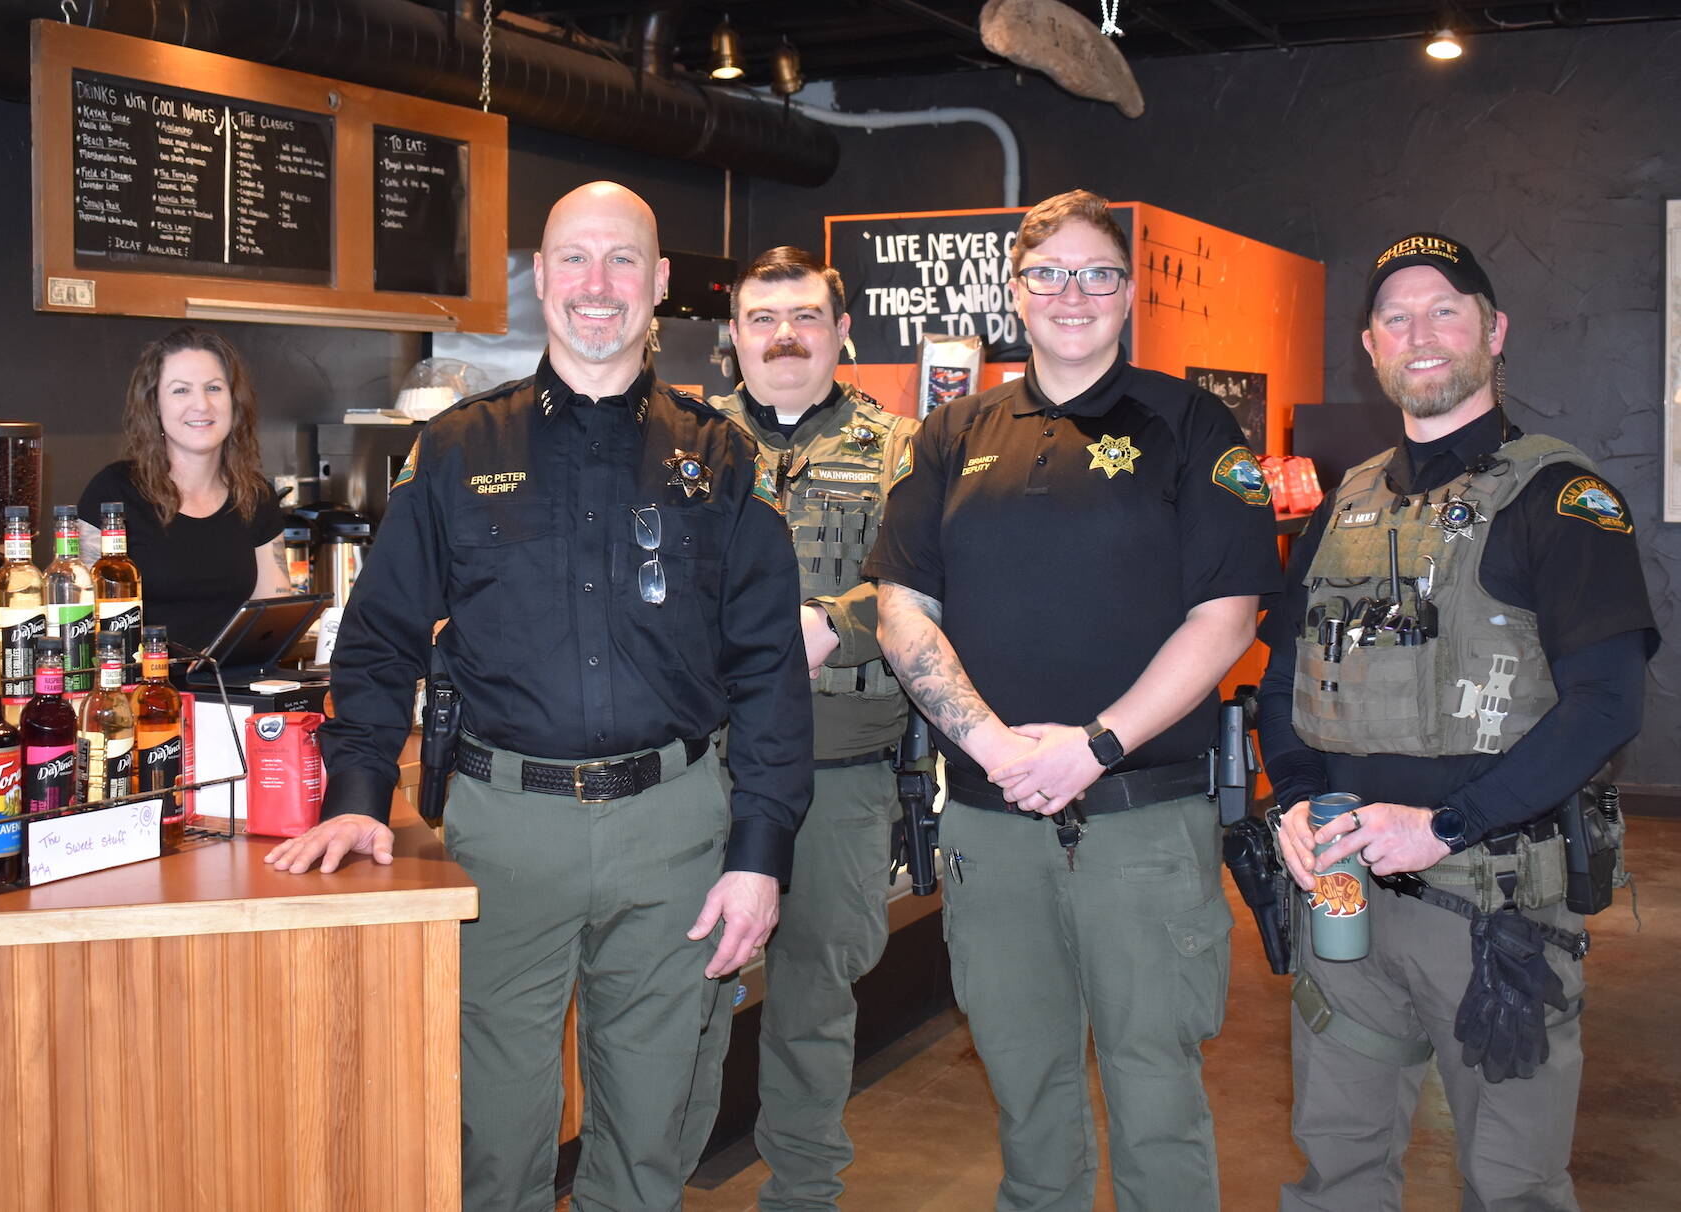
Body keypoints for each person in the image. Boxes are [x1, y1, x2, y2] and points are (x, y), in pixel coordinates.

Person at [264, 181, 813, 1212]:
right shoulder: (461, 449)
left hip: (674, 834)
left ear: (657, 285)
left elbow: (770, 671)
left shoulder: (724, 456)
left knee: (651, 1137)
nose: (596, 285)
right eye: (573, 258)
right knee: (492, 1136)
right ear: (542, 278)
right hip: (501, 834)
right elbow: (379, 638)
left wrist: (761, 855)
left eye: (620, 261)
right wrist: (354, 791)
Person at [864, 188, 1281, 1211]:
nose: (1073, 294)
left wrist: (1093, 746)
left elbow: (1225, 620)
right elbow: (901, 612)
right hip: (990, 821)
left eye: (1097, 273)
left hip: (1144, 817)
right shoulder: (953, 434)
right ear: (1015, 291)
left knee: (1155, 1090)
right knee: (1027, 1088)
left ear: (1129, 292)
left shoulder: (1191, 425)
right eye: (1048, 273)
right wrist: (998, 749)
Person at [1256, 232, 1658, 1210]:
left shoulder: (1561, 497)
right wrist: (1299, 802)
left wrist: (1439, 826)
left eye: (1445, 308)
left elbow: (1607, 706)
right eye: (1396, 316)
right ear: (1371, 345)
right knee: (1337, 1169)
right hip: (1344, 894)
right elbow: (1283, 677)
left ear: (1494, 329)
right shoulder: (1343, 502)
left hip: (1494, 905)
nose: (1420, 332)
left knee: (1513, 1184)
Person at [682, 246, 918, 1208]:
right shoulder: (683, 444)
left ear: (842, 330)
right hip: (700, 773)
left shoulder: (906, 447)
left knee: (815, 1005)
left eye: (806, 317)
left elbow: (930, 583)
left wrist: (837, 621)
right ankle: (651, 1185)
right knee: (685, 1002)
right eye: (762, 319)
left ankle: (803, 1194)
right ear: (733, 337)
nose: (785, 336)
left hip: (841, 772)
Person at [78, 326, 289, 655]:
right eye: (181, 391)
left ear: (234, 401)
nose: (201, 404)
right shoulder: (112, 493)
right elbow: (80, 622)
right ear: (155, 405)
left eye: (214, 388)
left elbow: (274, 618)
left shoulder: (256, 495)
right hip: (140, 695)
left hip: (229, 696)